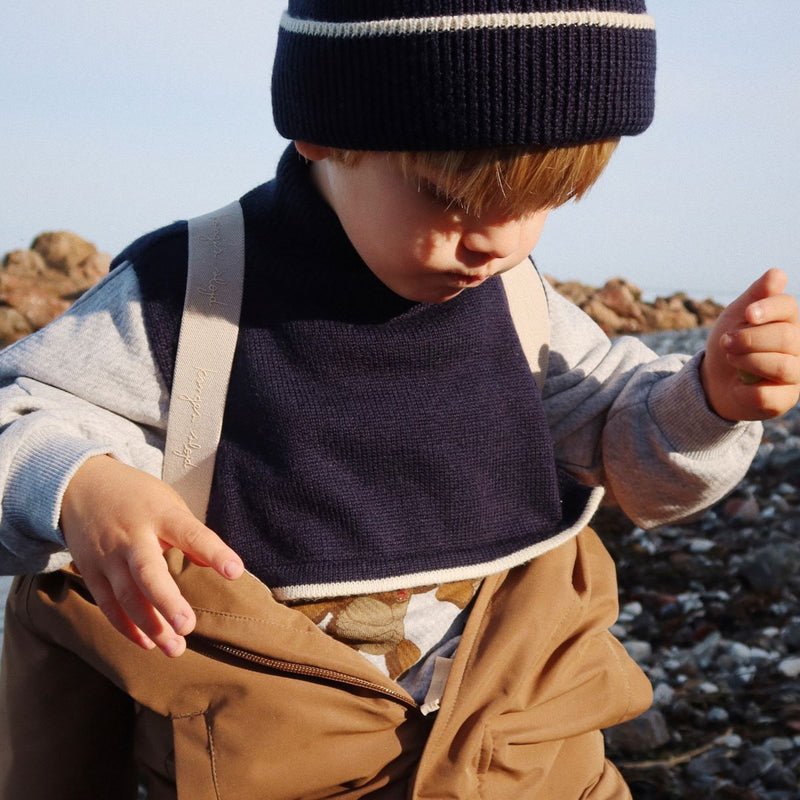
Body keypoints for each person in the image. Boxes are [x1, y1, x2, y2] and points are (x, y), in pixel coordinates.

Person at [1, 1, 799, 797]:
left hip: (520, 740)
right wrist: (82, 487)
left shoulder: (520, 305)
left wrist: (708, 402)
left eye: (542, 202)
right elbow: (19, 414)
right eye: (448, 196)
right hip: (268, 748)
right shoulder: (193, 297)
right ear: (323, 129)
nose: (499, 240)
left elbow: (631, 451)